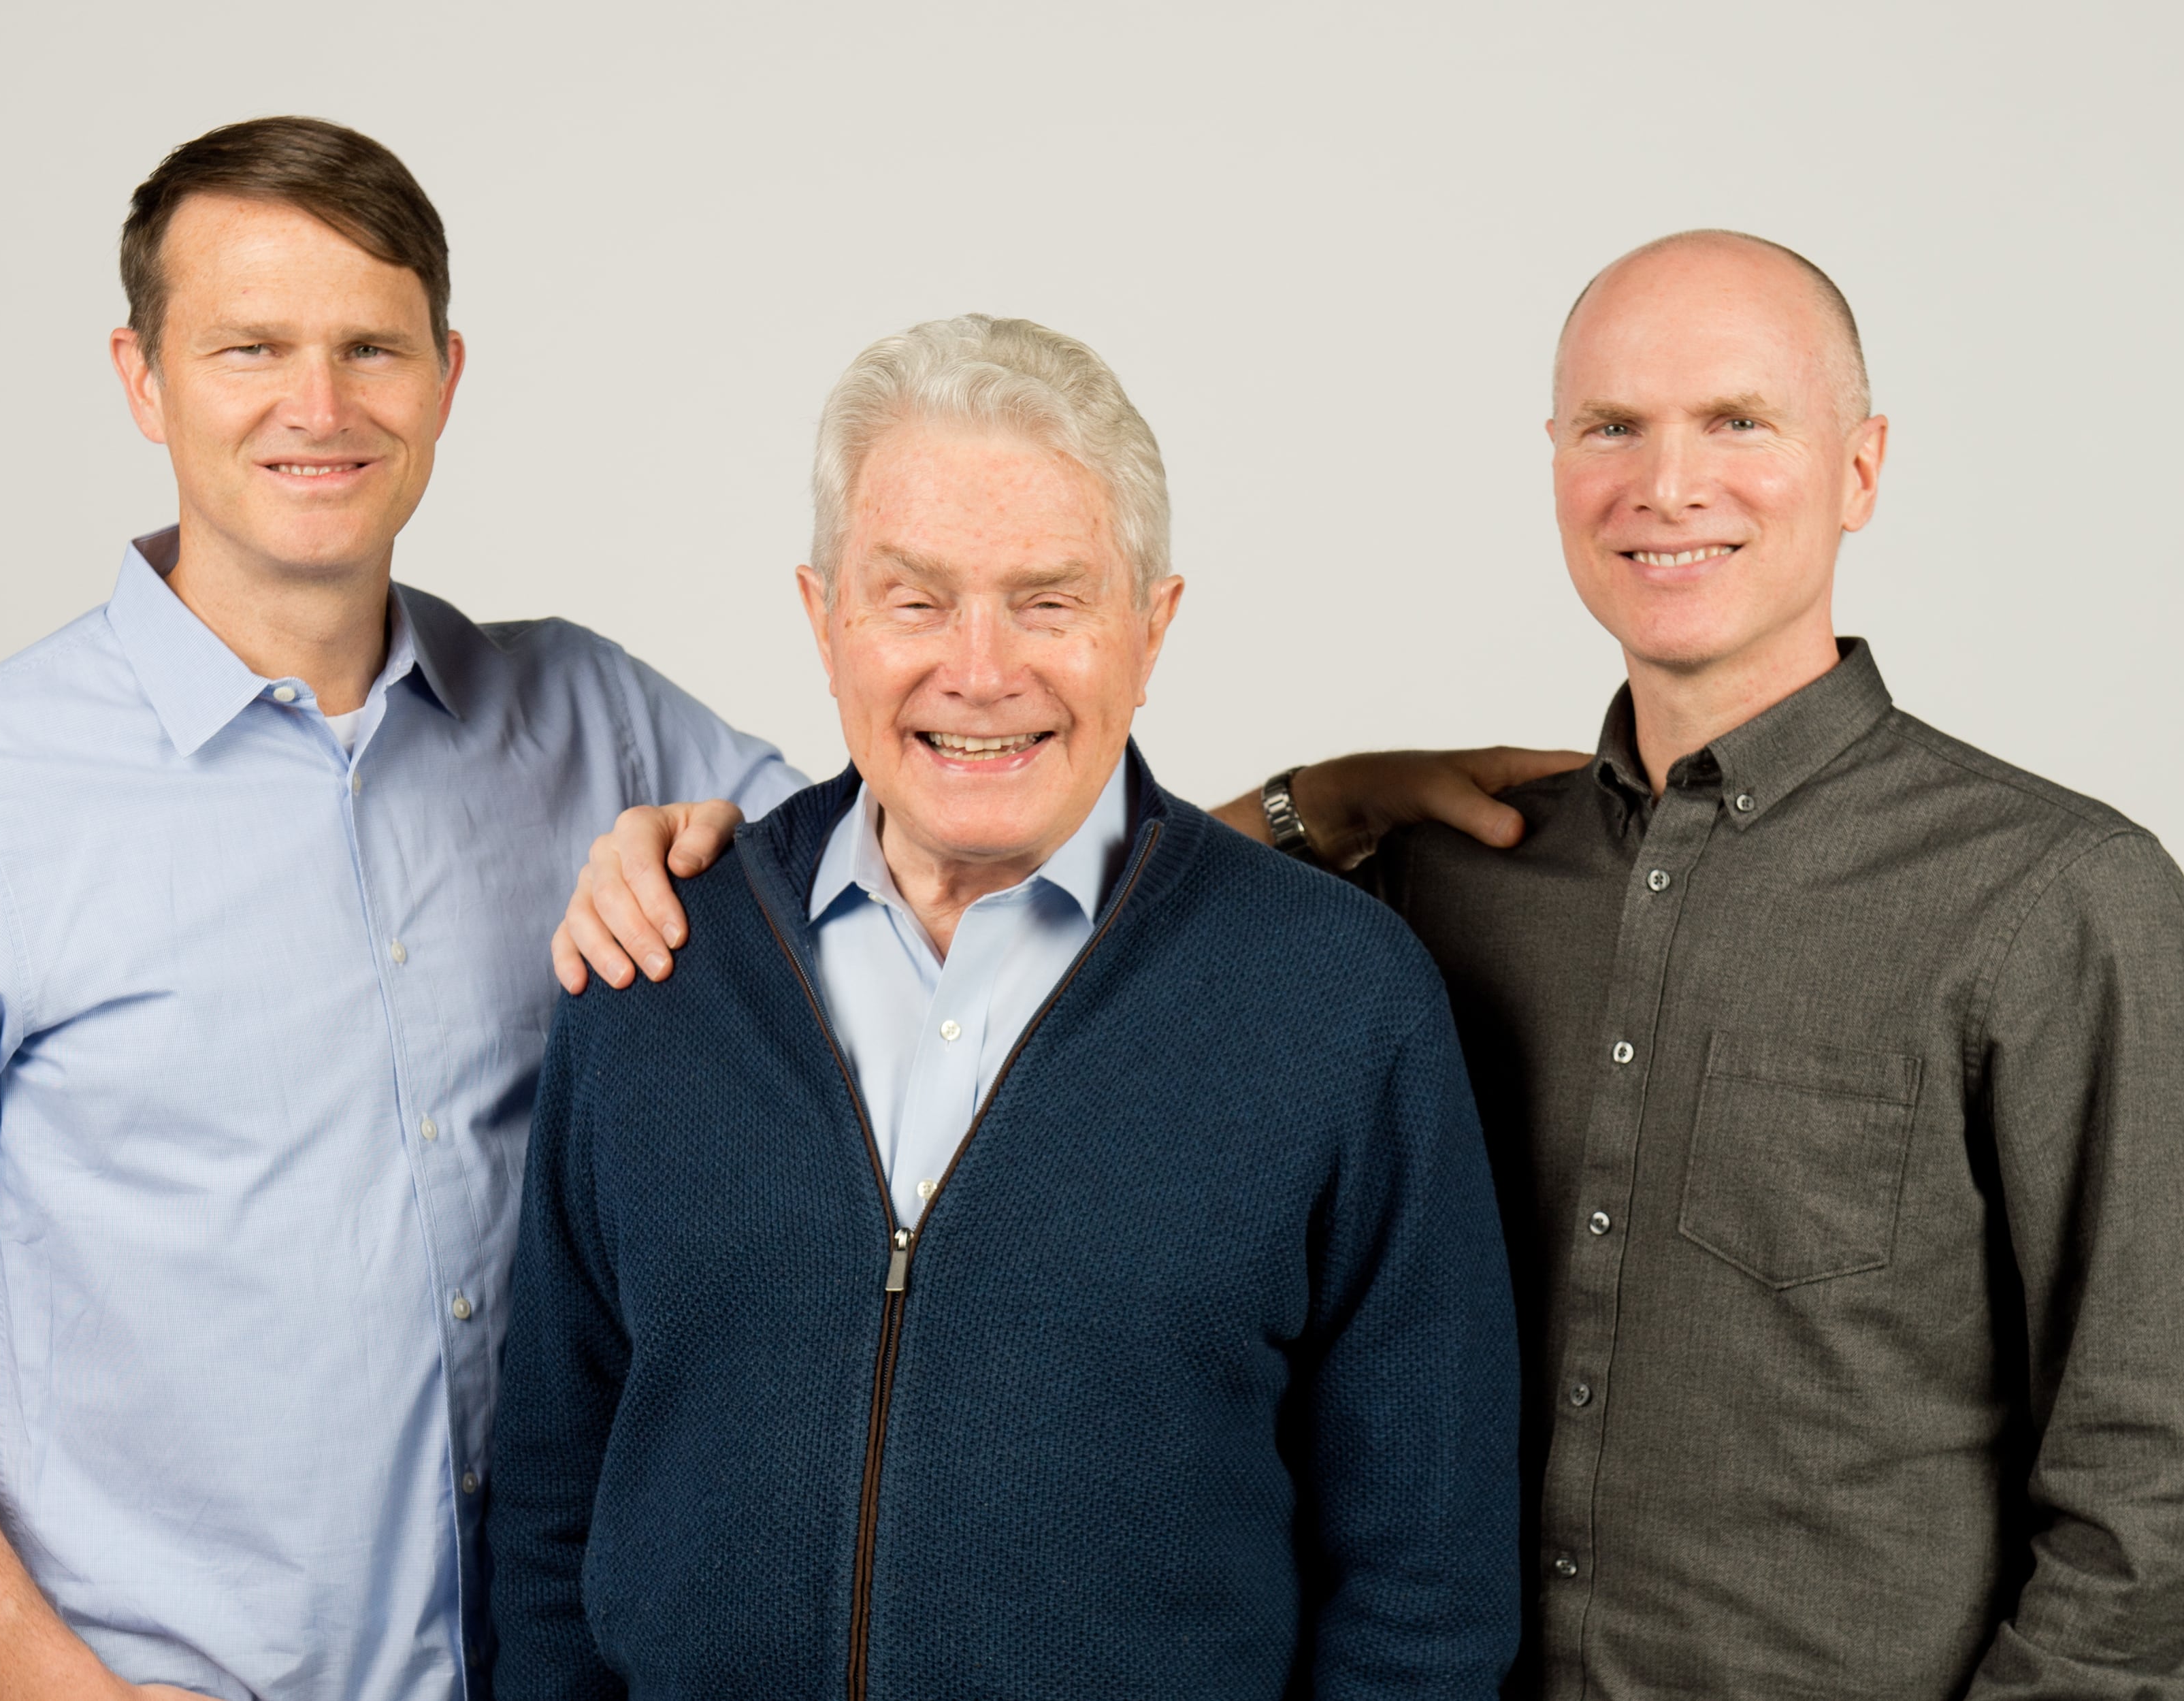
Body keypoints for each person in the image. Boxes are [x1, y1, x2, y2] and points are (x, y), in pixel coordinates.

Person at [558, 233, 2184, 1698]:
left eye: (1737, 420)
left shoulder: (2045, 896)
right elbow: (1069, 870)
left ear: (1861, 467)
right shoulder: (1459, 879)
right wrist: (1318, 795)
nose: (1666, 484)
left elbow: (2148, 1496)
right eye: (1611, 427)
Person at [0, 116, 804, 1700]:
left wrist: (718, 837)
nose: (320, 406)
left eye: (371, 345)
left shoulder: (594, 716)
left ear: (445, 375)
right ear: (142, 378)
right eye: (250, 348)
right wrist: (47, 1686)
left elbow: (913, 897)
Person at [488, 315, 1522, 1698]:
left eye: (1048, 599)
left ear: (1149, 628)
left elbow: (1426, 1590)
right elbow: (552, 1516)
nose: (979, 670)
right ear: (822, 617)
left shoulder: (1339, 999)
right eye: (913, 599)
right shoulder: (654, 965)